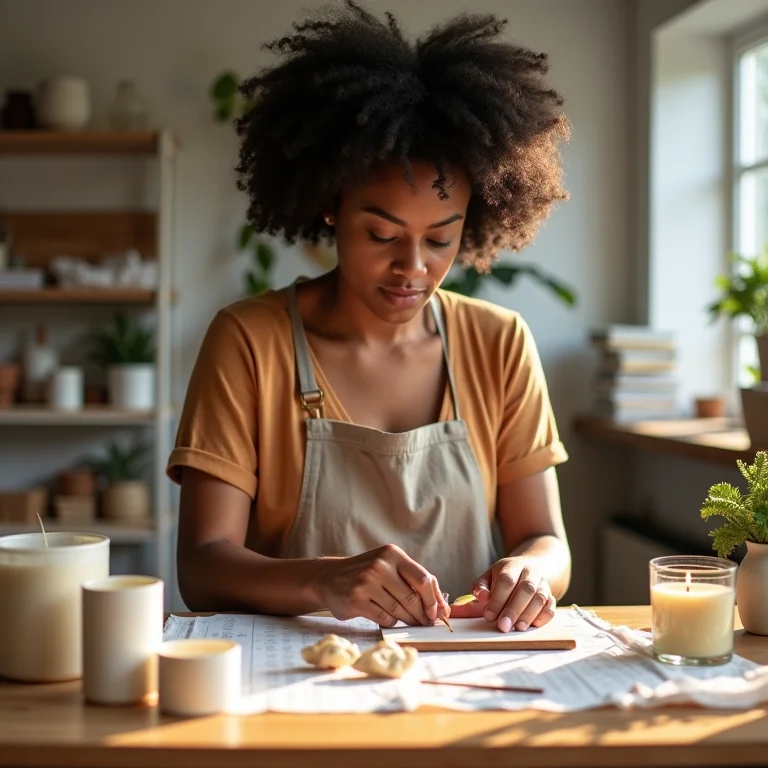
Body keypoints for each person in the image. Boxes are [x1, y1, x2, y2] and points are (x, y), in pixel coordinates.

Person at [167, 0, 571, 634]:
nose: (412, 267)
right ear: (331, 205)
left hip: (462, 671)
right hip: (298, 668)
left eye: (440, 239)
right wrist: (322, 580)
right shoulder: (250, 341)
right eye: (382, 235)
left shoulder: (499, 342)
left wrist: (531, 573)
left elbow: (546, 539)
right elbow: (202, 565)